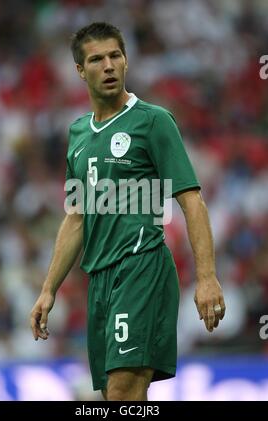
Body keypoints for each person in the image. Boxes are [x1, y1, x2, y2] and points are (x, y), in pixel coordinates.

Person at [30, 22, 226, 401]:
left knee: (122, 391)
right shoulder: (78, 134)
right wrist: (48, 289)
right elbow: (76, 217)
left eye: (115, 56)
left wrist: (206, 278)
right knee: (116, 398)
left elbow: (192, 201)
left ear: (126, 61)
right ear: (79, 70)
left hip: (141, 268)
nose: (108, 66)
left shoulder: (153, 121)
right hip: (100, 281)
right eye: (97, 59)